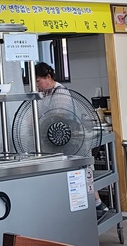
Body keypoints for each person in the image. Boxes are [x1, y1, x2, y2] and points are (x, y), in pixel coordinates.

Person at [34, 62, 110, 221]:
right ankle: (83, 210)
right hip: (56, 144)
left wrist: (42, 122)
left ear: (48, 77)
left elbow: (58, 115)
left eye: (38, 81)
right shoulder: (45, 95)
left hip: (72, 142)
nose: (37, 85)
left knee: (82, 173)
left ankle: (98, 205)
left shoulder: (61, 93)